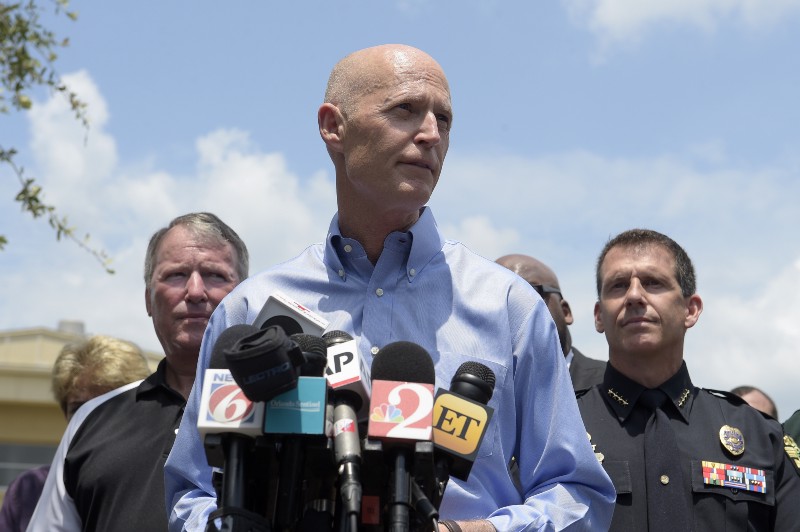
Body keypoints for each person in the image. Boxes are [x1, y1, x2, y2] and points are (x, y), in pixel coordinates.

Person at [164, 44, 615, 532]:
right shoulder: (247, 313)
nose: (430, 134)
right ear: (333, 127)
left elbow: (578, 494)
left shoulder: (510, 308)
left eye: (443, 119)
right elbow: (190, 492)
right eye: (405, 110)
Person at [27, 212, 249, 532]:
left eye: (215, 275)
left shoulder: (283, 412)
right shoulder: (91, 419)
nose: (196, 291)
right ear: (148, 299)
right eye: (176, 275)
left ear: (245, 296)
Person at [576, 228, 800, 530]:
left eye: (653, 283)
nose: (633, 295)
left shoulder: (760, 436)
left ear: (690, 310)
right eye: (617, 286)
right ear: (599, 316)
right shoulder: (558, 430)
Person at [0, 335, 150, 532]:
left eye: (107, 408)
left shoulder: (162, 485)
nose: (91, 421)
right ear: (65, 413)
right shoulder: (28, 491)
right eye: (80, 409)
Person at [495, 254, 606, 390]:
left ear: (565, 312)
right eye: (496, 299)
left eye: (528, 293)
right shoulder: (479, 397)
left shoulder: (608, 385)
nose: (511, 308)